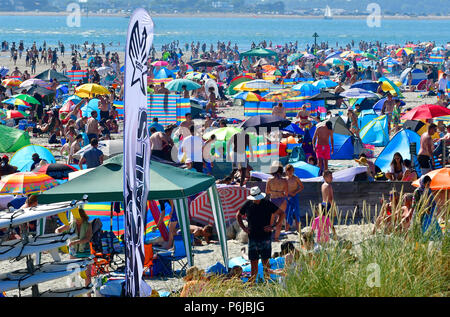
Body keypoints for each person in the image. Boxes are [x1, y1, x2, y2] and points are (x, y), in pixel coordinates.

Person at [236, 186, 284, 283]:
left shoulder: (267, 204)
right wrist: (244, 228)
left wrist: (273, 226)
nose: (256, 200)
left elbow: (281, 213)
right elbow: (238, 215)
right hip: (252, 237)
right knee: (253, 263)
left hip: (265, 237)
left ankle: (267, 283)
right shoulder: (248, 204)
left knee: (266, 263)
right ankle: (253, 284)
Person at [55, 207, 93, 289]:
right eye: (76, 218)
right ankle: (76, 293)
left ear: (83, 217)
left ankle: (89, 295)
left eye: (79, 218)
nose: (77, 220)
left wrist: (75, 242)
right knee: (73, 276)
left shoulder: (88, 225)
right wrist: (61, 237)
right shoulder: (71, 224)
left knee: (88, 275)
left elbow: (87, 238)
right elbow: (58, 230)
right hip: (74, 252)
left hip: (85, 252)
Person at [265, 161, 288, 242]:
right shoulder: (284, 180)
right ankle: (276, 238)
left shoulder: (269, 180)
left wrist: (273, 191)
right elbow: (286, 192)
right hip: (282, 199)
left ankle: (269, 236)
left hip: (273, 199)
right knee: (280, 220)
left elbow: (267, 192)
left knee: (271, 220)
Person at [284, 164, 304, 232]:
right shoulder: (285, 179)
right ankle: (286, 230)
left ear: (293, 171)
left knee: (296, 213)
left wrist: (295, 192)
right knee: (288, 213)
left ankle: (298, 229)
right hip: (287, 197)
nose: (290, 172)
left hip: (294, 196)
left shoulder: (295, 178)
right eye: (288, 171)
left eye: (291, 171)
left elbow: (301, 187)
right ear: (286, 171)